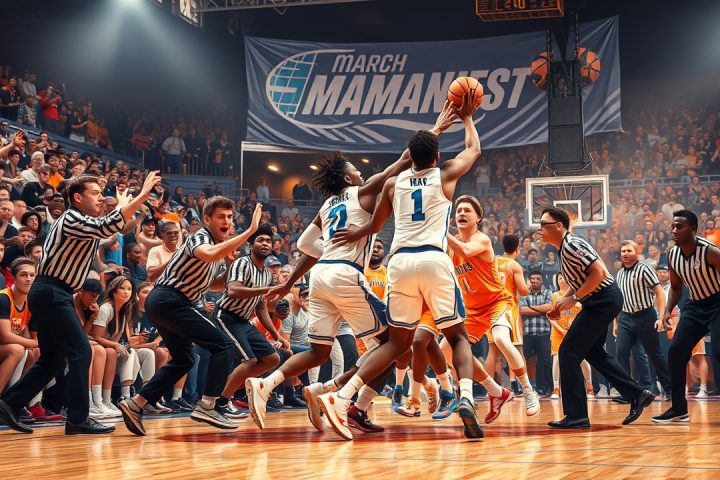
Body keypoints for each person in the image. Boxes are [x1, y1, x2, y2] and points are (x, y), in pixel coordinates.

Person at [329, 94, 486, 439]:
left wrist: (354, 232)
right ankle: (464, 397)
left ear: (409, 156)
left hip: (399, 263)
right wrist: (467, 117)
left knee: (396, 343)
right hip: (433, 258)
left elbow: (374, 225)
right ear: (436, 157)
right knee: (457, 335)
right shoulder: (445, 173)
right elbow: (473, 150)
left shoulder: (392, 182)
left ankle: (341, 398)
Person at [0, 171, 162, 435]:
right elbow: (108, 226)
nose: (101, 198)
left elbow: (115, 227)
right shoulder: (72, 218)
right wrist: (142, 195)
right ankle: (78, 417)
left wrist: (125, 207)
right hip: (52, 291)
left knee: (53, 360)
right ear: (77, 197)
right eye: (95, 193)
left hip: (52, 292)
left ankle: (8, 403)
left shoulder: (82, 221)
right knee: (81, 351)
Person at [117, 198, 263, 436]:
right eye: (221, 217)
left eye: (229, 217)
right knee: (223, 344)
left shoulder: (217, 249)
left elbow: (214, 285)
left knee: (184, 359)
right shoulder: (199, 238)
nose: (227, 221)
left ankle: (136, 403)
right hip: (170, 300)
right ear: (207, 219)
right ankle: (208, 405)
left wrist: (230, 268)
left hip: (167, 303)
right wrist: (249, 231)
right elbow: (207, 254)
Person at [541, 207, 654, 429]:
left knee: (568, 352)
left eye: (544, 224)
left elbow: (598, 273)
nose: (540, 229)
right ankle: (637, 393)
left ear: (559, 226)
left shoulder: (572, 245)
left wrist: (574, 299)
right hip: (600, 301)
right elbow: (579, 280)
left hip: (603, 300)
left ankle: (577, 416)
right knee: (593, 352)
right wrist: (562, 301)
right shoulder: (565, 248)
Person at [213, 225, 289, 417]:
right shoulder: (242, 263)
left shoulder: (266, 274)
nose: (265, 244)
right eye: (260, 240)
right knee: (251, 360)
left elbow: (261, 307)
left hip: (243, 321)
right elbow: (233, 290)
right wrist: (268, 290)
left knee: (272, 359)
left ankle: (227, 392)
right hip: (226, 316)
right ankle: (222, 402)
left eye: (268, 241)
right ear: (250, 245)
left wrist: (277, 335)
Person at [653, 210, 720, 423]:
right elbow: (675, 287)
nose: (674, 230)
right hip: (695, 306)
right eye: (672, 226)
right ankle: (678, 409)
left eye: (679, 226)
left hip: (718, 303)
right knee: (676, 351)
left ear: (692, 229)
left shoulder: (710, 251)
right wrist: (666, 311)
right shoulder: (672, 255)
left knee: (718, 351)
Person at [614, 240, 671, 400]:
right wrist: (616, 322)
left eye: (629, 251)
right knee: (621, 353)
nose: (625, 254)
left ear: (637, 252)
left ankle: (669, 388)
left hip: (645, 316)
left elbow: (659, 293)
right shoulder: (620, 273)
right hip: (625, 317)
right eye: (623, 251)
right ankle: (628, 392)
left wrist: (661, 317)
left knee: (655, 354)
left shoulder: (645, 269)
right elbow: (620, 299)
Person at [549, 273, 593, 399]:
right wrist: (561, 330)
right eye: (560, 278)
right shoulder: (554, 296)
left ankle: (589, 388)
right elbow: (551, 317)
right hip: (558, 333)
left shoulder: (578, 295)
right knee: (557, 359)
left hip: (577, 332)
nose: (562, 280)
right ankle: (556, 389)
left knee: (582, 359)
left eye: (564, 278)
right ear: (556, 280)